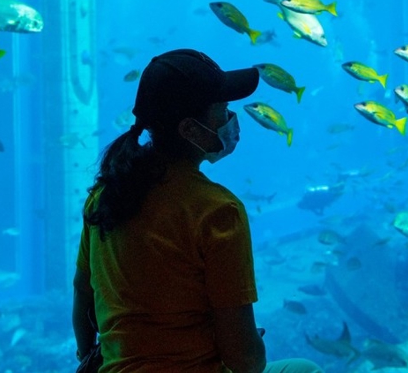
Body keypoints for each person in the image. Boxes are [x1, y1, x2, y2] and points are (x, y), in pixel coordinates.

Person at [72, 49, 324, 373]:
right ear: (190, 130)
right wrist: (250, 344)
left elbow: (83, 293)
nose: (231, 118)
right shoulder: (217, 212)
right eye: (223, 110)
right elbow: (245, 361)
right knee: (305, 369)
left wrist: (88, 356)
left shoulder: (104, 197)